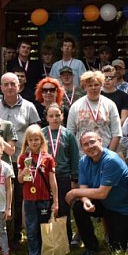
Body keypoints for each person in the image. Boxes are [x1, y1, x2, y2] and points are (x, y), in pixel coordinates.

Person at [66, 131, 128, 255]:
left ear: (101, 141)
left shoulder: (111, 160)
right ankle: (91, 248)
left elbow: (102, 193)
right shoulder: (83, 161)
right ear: (82, 148)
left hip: (120, 208)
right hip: (103, 205)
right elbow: (84, 188)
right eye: (85, 144)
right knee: (79, 207)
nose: (90, 146)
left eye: (92, 142)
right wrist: (86, 200)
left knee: (118, 248)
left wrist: (74, 192)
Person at [0, 71, 41, 246]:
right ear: (0, 87)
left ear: (19, 86)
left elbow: (36, 133)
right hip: (0, 162)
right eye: (6, 84)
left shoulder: (29, 106)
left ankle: (21, 235)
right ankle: (6, 237)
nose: (9, 87)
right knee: (5, 198)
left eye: (13, 84)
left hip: (24, 160)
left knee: (22, 198)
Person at [17, 125, 58, 255]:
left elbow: (53, 181)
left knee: (43, 227)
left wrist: (56, 201)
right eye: (31, 140)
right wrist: (25, 171)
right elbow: (20, 180)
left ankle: (44, 254)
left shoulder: (48, 158)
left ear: (41, 141)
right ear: (26, 142)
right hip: (29, 199)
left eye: (37, 139)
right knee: (31, 227)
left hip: (44, 198)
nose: (34, 142)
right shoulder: (23, 158)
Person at [42, 103, 79, 243]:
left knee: (63, 208)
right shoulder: (42, 133)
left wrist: (74, 178)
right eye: (51, 116)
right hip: (45, 177)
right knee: (46, 207)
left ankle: (65, 239)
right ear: (46, 118)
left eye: (58, 115)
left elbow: (74, 157)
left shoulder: (68, 134)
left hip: (63, 176)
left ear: (63, 116)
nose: (55, 118)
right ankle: (49, 239)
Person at [66, 71, 122, 152]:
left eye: (96, 85)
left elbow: (117, 133)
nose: (93, 88)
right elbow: (70, 133)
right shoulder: (76, 106)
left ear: (101, 85)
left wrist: (109, 154)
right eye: (90, 85)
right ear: (85, 87)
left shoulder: (110, 105)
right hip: (82, 154)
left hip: (105, 151)